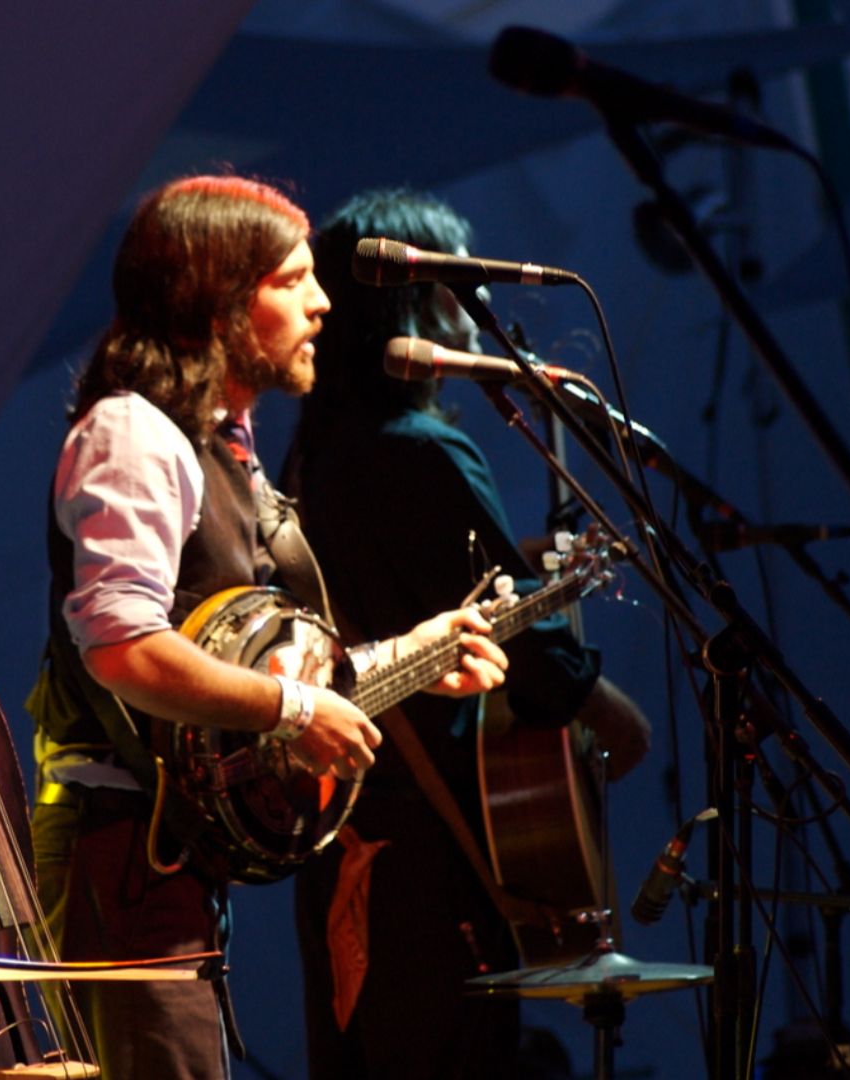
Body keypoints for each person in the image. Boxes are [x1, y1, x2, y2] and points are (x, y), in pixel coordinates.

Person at [24, 175, 510, 1079]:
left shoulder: (226, 451)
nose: (322, 303)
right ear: (217, 298)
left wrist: (416, 657)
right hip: (119, 850)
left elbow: (246, 667)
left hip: (167, 862)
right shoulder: (135, 435)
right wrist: (294, 710)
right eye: (292, 282)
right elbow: (125, 648)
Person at [284, 188, 651, 1079]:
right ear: (412, 306)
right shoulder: (425, 450)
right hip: (435, 864)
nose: (472, 314)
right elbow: (533, 656)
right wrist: (610, 715)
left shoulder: (313, 454)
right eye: (455, 289)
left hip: (343, 854)